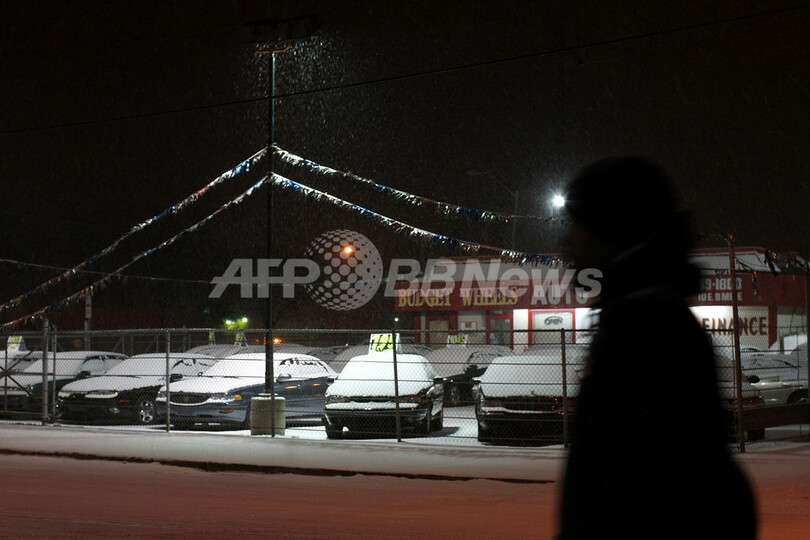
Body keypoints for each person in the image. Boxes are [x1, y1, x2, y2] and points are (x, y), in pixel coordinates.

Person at [557, 157, 757, 539]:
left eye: (575, 224)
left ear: (610, 228)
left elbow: (664, 493)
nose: (566, 241)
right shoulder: (634, 316)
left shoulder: (646, 326)